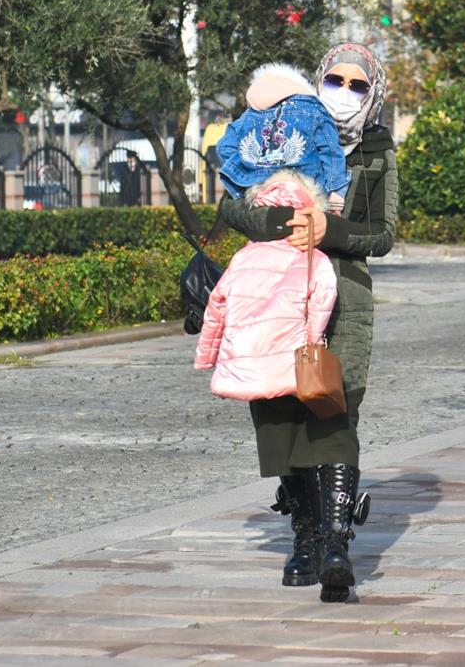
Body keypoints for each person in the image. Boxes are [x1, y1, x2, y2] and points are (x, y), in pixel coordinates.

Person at [219, 42, 398, 603]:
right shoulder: (276, 127)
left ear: (373, 93)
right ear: (317, 79)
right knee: (275, 410)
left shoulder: (376, 150)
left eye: (358, 85)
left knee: (330, 406)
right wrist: (280, 222)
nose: (344, 92)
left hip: (342, 295)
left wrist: (330, 230)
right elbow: (229, 204)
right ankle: (304, 535)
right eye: (336, 80)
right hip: (269, 296)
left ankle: (336, 542)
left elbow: (384, 234)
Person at [194, 170, 337, 408]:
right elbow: (323, 302)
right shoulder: (313, 259)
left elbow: (215, 307)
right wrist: (313, 347)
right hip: (288, 368)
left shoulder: (242, 257)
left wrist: (205, 358)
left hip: (240, 367)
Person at [215, 64, 350, 214]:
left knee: (272, 234)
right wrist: (335, 198)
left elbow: (224, 147)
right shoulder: (314, 110)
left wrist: (244, 179)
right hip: (305, 190)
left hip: (261, 192)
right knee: (302, 234)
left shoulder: (248, 116)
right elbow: (331, 153)